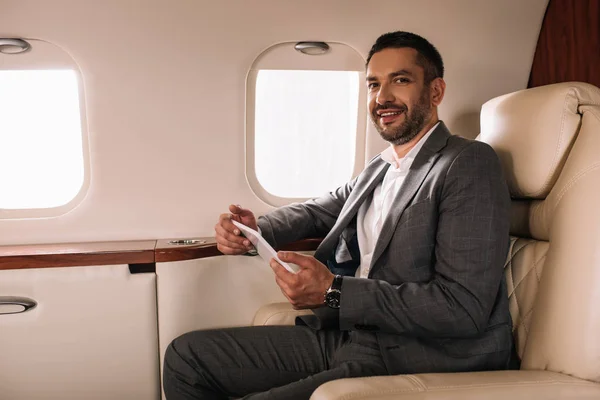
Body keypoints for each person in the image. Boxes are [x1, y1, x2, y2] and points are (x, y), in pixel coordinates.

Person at [163, 31, 513, 400]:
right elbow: (317, 211)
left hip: (417, 354)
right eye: (374, 84)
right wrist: (255, 231)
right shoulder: (380, 167)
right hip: (352, 334)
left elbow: (462, 307)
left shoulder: (466, 163)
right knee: (186, 359)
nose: (383, 98)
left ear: (436, 91)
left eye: (401, 80)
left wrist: (334, 292)